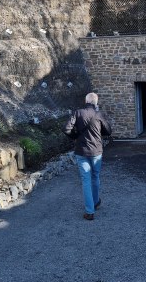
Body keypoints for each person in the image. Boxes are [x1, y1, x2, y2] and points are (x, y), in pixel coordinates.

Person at [63, 92, 112, 220]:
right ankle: (95, 202)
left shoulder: (77, 113)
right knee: (95, 177)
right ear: (96, 102)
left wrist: (75, 137)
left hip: (82, 151)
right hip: (96, 151)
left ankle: (89, 211)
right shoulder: (99, 114)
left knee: (86, 180)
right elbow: (108, 131)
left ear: (86, 101)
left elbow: (66, 129)